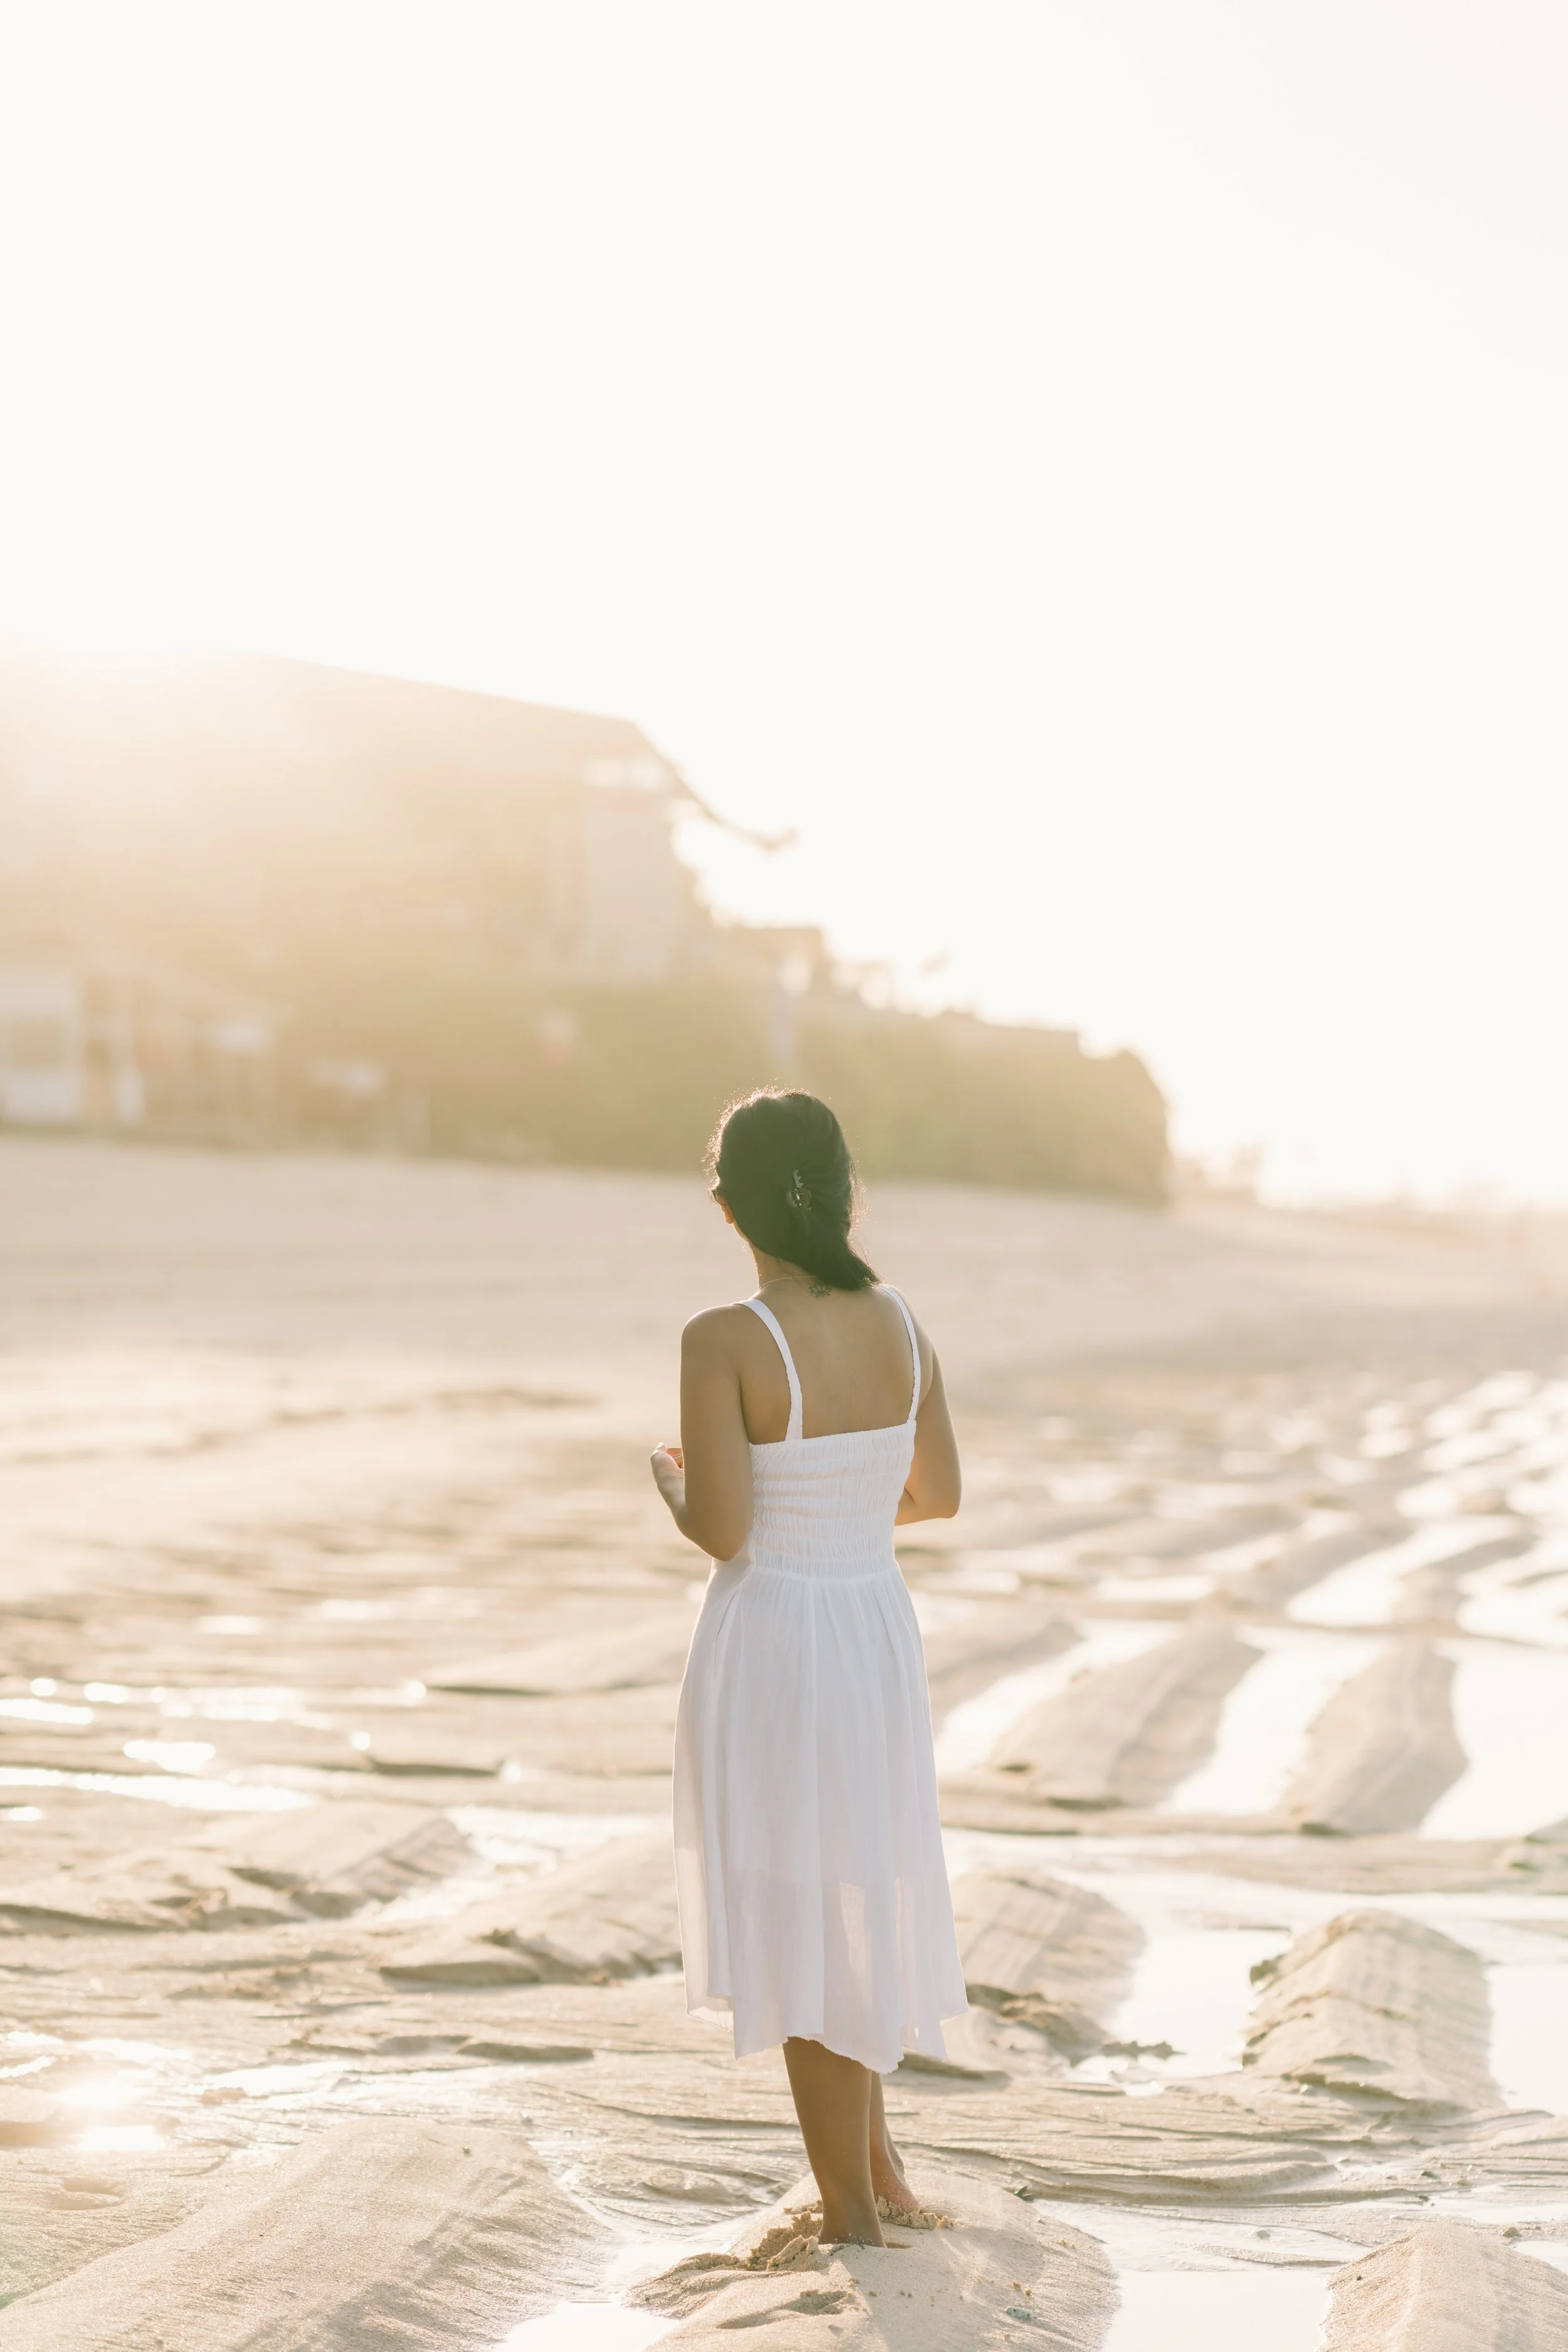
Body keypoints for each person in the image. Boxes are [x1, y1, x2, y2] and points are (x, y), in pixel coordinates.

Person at [651, 1088, 967, 2247]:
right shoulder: (900, 1322)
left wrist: (676, 1484)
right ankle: (878, 2170)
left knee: (796, 1907)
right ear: (845, 1191)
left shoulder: (723, 1337)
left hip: (778, 1638)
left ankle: (849, 2217)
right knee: (857, 1885)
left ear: (727, 1202)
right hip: (871, 1627)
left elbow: (727, 1529)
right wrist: (839, 1510)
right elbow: (936, 1496)